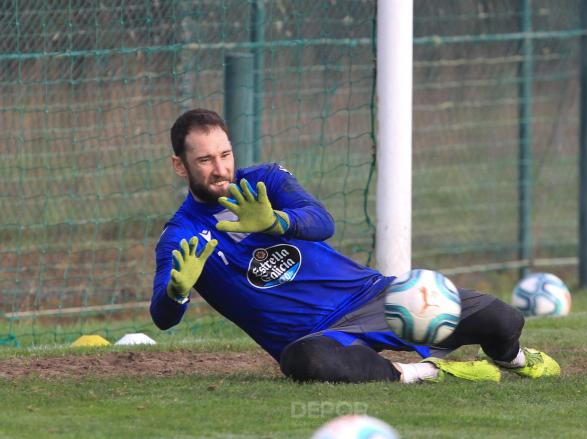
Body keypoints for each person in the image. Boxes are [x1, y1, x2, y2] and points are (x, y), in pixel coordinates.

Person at [150, 108, 560, 384]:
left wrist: (279, 222)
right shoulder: (181, 236)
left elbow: (322, 222)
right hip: (316, 336)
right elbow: (163, 318)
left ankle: (513, 359)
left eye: (225, 154)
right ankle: (428, 372)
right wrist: (177, 291)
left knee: (503, 319)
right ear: (179, 166)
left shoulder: (267, 182)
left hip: (373, 296)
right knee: (304, 363)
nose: (221, 168)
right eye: (204, 160)